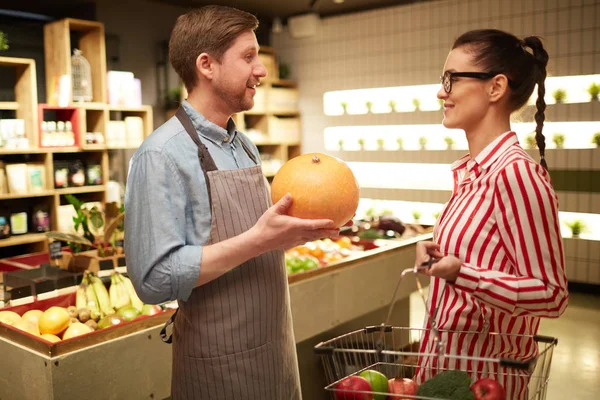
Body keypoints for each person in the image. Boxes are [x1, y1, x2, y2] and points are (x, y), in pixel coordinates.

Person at [124, 5, 340, 400]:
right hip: (218, 367)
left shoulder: (243, 145)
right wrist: (259, 240)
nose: (261, 69)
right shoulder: (162, 155)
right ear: (206, 65)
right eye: (248, 57)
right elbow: (152, 280)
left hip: (275, 354)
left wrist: (297, 232)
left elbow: (254, 239)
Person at [414, 29, 568, 399]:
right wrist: (441, 258)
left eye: (451, 79)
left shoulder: (515, 173)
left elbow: (551, 294)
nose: (441, 92)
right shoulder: (470, 173)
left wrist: (463, 274)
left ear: (495, 87)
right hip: (445, 374)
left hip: (487, 383)